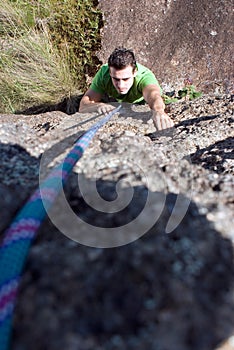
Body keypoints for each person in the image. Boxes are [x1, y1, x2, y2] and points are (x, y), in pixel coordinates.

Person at [79, 47, 174, 130]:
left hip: (140, 102)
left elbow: (153, 95)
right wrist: (98, 106)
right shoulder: (104, 74)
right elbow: (83, 105)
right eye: (116, 79)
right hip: (114, 100)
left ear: (135, 72)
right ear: (110, 73)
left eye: (125, 79)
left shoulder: (144, 77)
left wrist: (159, 111)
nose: (121, 85)